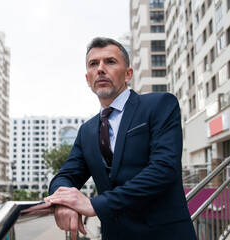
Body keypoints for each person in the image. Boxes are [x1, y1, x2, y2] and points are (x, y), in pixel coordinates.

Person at [44, 37, 196, 240]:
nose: (100, 69)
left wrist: (94, 204)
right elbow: (65, 176)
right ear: (88, 79)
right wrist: (63, 201)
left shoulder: (160, 104)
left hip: (163, 233)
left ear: (128, 74)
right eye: (93, 64)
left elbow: (164, 169)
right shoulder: (86, 130)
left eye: (110, 61)